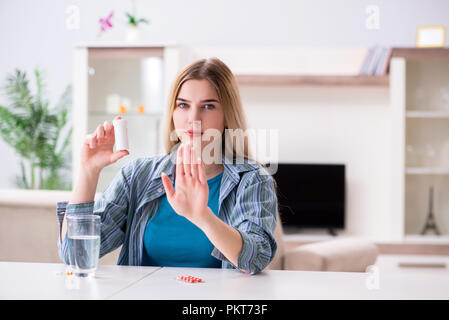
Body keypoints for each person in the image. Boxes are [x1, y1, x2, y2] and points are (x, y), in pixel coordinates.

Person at [57, 57, 278, 274]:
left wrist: (203, 216)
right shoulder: (138, 176)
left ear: (227, 116)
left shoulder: (252, 180)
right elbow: (75, 255)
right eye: (183, 105)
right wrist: (89, 170)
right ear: (172, 114)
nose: (194, 118)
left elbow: (256, 259)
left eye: (208, 106)